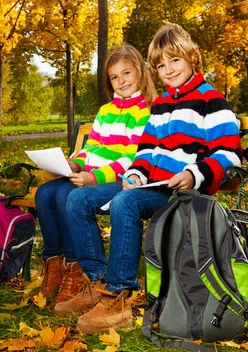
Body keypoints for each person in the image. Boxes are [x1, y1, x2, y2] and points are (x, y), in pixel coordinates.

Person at [57, 22, 242, 334]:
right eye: (161, 64)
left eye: (175, 61)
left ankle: (119, 296)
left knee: (124, 202)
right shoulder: (162, 105)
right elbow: (145, 151)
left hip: (187, 191)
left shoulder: (212, 101)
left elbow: (229, 154)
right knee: (77, 199)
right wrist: (134, 173)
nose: (168, 70)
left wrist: (193, 173)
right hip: (156, 188)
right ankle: (98, 280)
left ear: (191, 58)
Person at [34, 43, 157, 305]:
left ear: (140, 73)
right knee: (45, 192)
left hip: (119, 181)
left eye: (126, 73)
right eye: (114, 77)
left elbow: (132, 159)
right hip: (89, 176)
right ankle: (56, 265)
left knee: (66, 196)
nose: (121, 81)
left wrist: (94, 178)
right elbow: (90, 148)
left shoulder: (143, 111)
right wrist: (75, 164)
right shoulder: (105, 111)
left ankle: (78, 268)